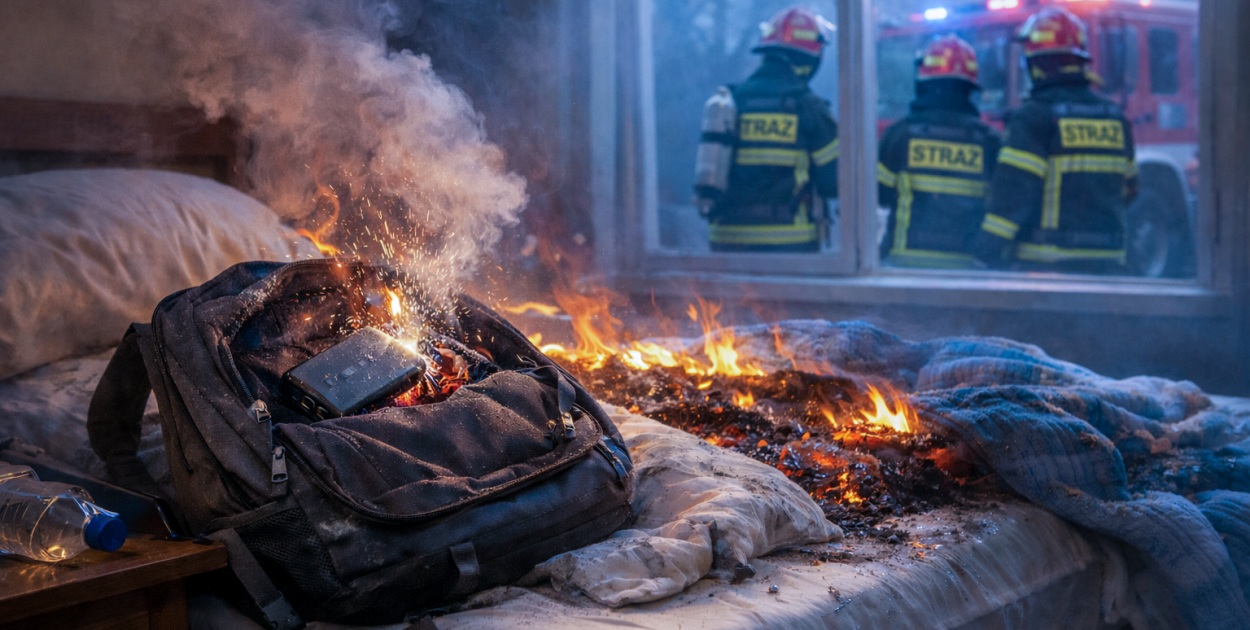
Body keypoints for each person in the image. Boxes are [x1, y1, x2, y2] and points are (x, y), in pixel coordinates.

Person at [971, 6, 1138, 273]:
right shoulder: (1115, 118)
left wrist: (983, 254)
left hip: (1047, 267)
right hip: (1108, 265)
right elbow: (1130, 189)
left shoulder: (1034, 116)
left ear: (1037, 64)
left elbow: (1013, 198)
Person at [693, 6, 838, 253]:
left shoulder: (731, 102)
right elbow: (833, 183)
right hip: (789, 246)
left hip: (727, 245)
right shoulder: (811, 109)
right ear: (812, 57)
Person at [877, 35, 1001, 269]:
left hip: (904, 267)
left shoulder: (899, 135)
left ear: (922, 83)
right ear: (969, 89)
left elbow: (881, 196)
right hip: (967, 272)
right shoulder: (990, 142)